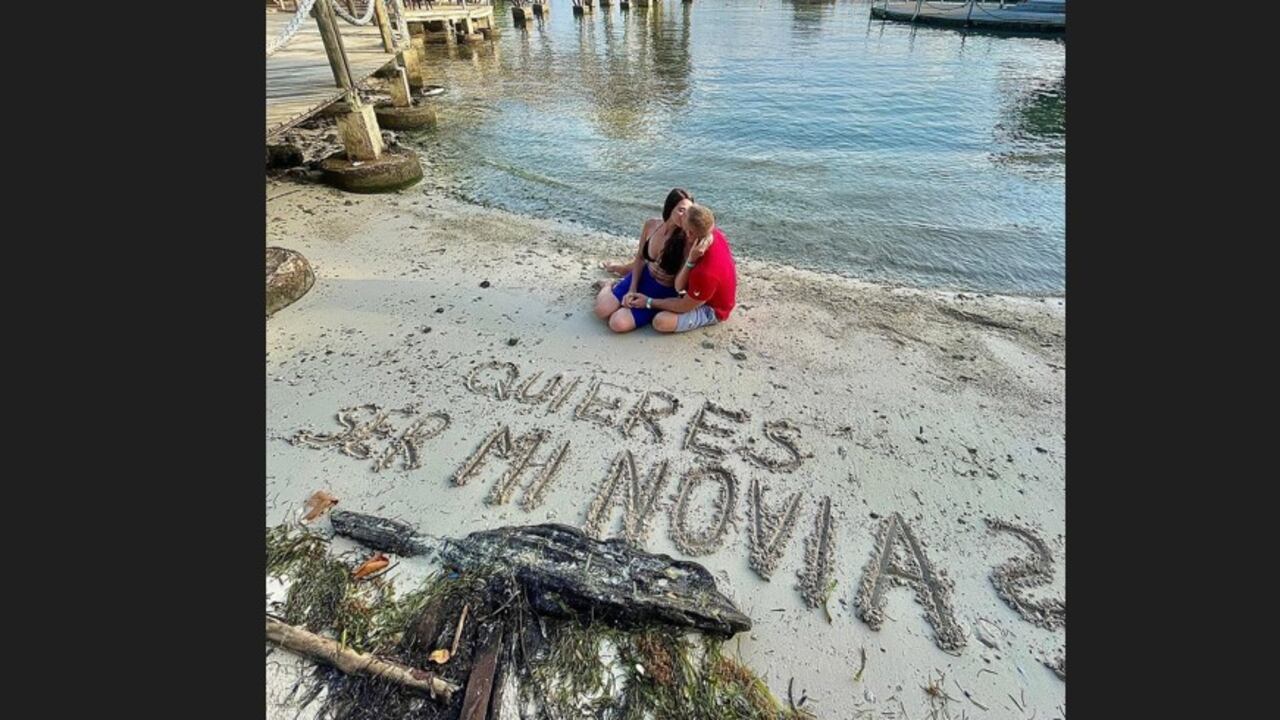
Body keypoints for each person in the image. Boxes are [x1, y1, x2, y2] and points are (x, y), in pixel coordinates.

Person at [622, 203, 736, 333]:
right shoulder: (711, 232)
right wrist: (690, 260)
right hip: (700, 290)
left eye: (683, 220)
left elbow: (684, 306)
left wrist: (649, 302)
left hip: (713, 308)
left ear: (690, 233)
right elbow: (678, 287)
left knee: (661, 321)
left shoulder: (705, 273)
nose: (680, 218)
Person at [593, 189, 694, 333]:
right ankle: (608, 285)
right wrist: (632, 289)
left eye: (689, 211)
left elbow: (683, 283)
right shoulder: (651, 225)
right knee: (601, 311)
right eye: (681, 210)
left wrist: (649, 302)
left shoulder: (687, 240)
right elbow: (640, 258)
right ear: (670, 208)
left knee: (617, 323)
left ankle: (619, 290)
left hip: (662, 291)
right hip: (642, 277)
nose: (685, 216)